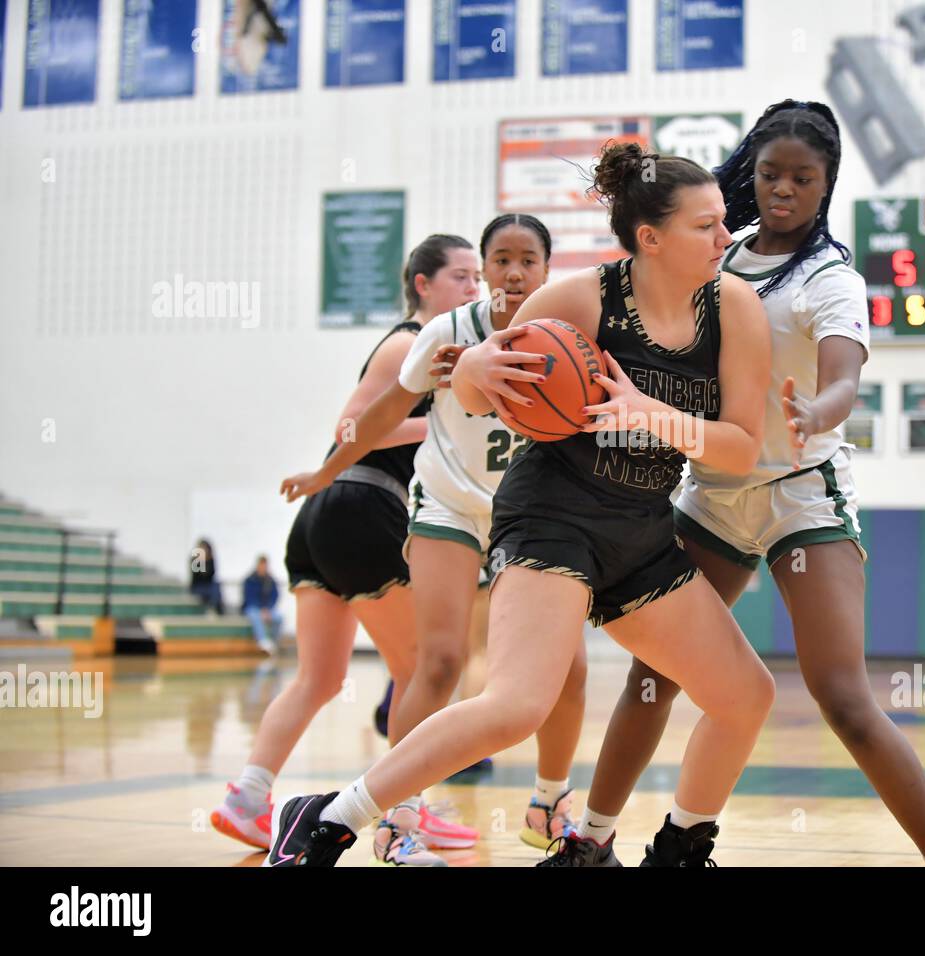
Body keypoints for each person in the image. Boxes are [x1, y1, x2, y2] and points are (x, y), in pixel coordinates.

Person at [262, 142, 776, 868]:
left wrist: (650, 413)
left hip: (640, 528)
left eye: (724, 222)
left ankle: (680, 847)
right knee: (517, 705)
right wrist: (470, 368)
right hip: (552, 514)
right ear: (651, 238)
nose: (727, 239)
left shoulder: (736, 308)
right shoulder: (580, 300)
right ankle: (326, 817)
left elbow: (742, 447)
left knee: (745, 695)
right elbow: (478, 390)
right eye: (707, 226)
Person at [545, 100, 925, 868]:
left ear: (825, 184)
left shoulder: (831, 278)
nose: (782, 188)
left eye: (802, 178)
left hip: (801, 493)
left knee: (843, 696)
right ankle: (592, 843)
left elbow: (845, 373)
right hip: (712, 488)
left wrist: (821, 407)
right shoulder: (718, 251)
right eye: (770, 173)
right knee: (656, 676)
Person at [280, 214, 588, 852]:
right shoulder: (448, 332)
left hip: (522, 515)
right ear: (484, 267)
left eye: (527, 260)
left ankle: (549, 800)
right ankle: (400, 818)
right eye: (499, 259)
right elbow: (381, 413)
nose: (512, 272)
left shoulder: (570, 334)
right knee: (439, 660)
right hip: (446, 507)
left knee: (568, 666)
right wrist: (325, 470)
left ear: (546, 269)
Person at [210, 235, 481, 865]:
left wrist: (318, 478)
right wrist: (449, 418)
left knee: (320, 676)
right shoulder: (406, 342)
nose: (474, 289)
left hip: (326, 514)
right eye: (462, 277)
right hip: (364, 508)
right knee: (423, 671)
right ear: (422, 284)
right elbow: (353, 424)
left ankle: (248, 798)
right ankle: (401, 818)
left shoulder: (439, 347)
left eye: (477, 279)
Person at [241, 555, 282, 655]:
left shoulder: (271, 580)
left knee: (279, 618)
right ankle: (263, 642)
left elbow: (275, 596)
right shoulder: (250, 580)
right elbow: (249, 598)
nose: (263, 568)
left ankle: (273, 642)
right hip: (253, 608)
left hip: (267, 609)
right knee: (255, 616)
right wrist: (261, 610)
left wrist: (267, 608)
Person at [189, 539, 224, 615]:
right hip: (198, 586)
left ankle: (217, 609)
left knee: (216, 586)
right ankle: (212, 608)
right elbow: (197, 576)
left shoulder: (211, 560)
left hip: (208, 585)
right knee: (210, 589)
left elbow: (211, 575)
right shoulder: (194, 560)